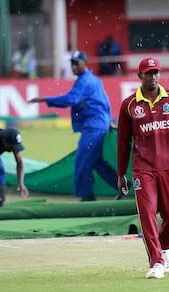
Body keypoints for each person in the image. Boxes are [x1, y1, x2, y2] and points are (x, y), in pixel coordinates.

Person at [117, 57, 169, 279]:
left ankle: (165, 245)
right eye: (148, 73)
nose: (153, 77)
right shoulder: (129, 105)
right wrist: (121, 173)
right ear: (140, 76)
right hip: (143, 169)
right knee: (147, 213)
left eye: (156, 72)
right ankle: (156, 261)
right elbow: (123, 141)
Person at [28, 50, 121, 201]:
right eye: (72, 63)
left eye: (77, 63)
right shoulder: (94, 79)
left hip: (94, 125)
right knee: (97, 162)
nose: (73, 66)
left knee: (82, 160)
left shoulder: (84, 81)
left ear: (85, 64)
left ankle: (86, 196)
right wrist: (108, 120)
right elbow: (106, 100)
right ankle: (122, 186)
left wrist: (45, 99)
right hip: (99, 123)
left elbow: (70, 99)